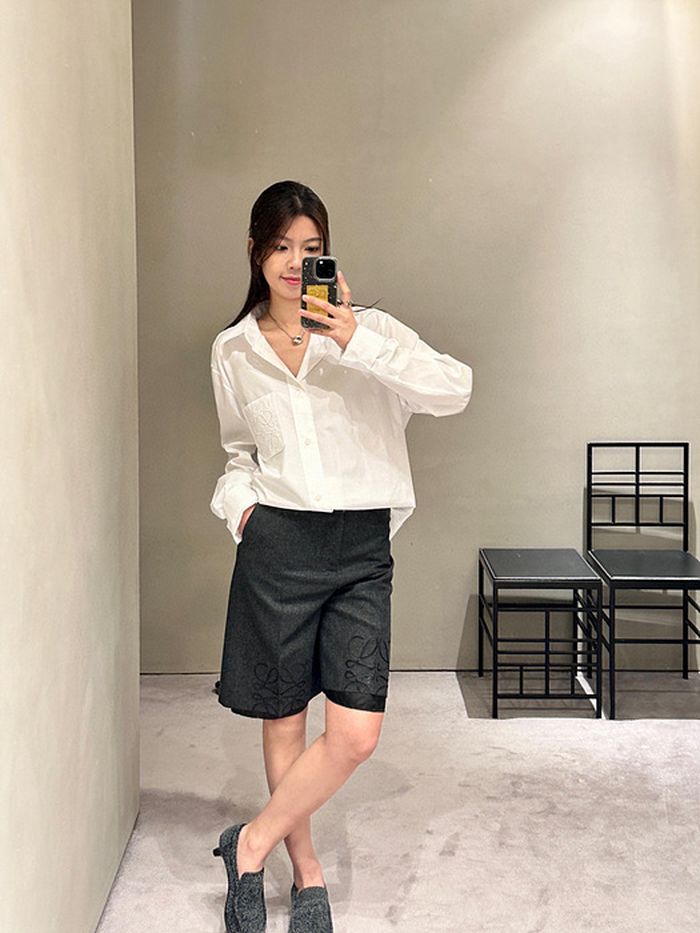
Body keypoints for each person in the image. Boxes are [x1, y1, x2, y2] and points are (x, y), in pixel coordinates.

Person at [209, 180, 473, 933]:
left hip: (359, 550)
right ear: (256, 252)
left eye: (312, 248)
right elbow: (238, 452)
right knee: (285, 719)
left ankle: (248, 844)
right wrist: (243, 512)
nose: (296, 263)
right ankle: (307, 870)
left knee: (355, 732)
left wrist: (356, 339)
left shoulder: (370, 333)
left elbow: (454, 389)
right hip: (277, 549)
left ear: (328, 254)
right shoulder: (233, 350)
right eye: (281, 246)